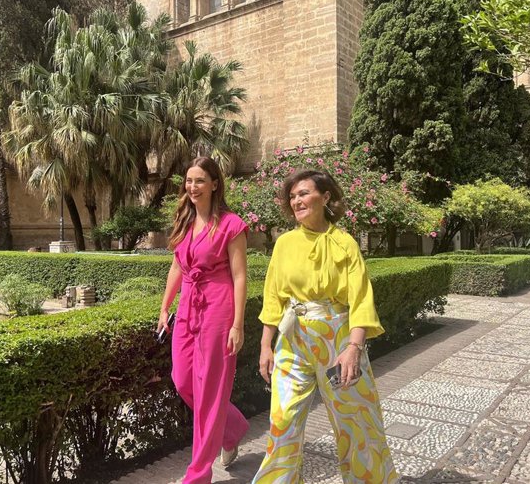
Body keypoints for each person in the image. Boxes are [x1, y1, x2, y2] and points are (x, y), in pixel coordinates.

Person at [253, 170, 398, 484]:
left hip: (338, 341)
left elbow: (360, 300)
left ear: (326, 197)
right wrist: (266, 346)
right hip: (292, 340)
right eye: (292, 196)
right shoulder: (284, 244)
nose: (297, 201)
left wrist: (353, 349)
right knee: (283, 420)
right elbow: (273, 298)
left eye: (304, 193)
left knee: (356, 421)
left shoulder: (344, 244)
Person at [157, 156, 250, 484]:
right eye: (189, 181)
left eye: (199, 181)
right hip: (188, 309)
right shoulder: (183, 222)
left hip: (218, 310)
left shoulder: (231, 224)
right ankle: (233, 428)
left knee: (210, 392)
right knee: (182, 380)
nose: (192, 187)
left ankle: (198, 475)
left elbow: (240, 277)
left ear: (214, 184)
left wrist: (238, 324)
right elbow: (177, 267)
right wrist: (164, 307)